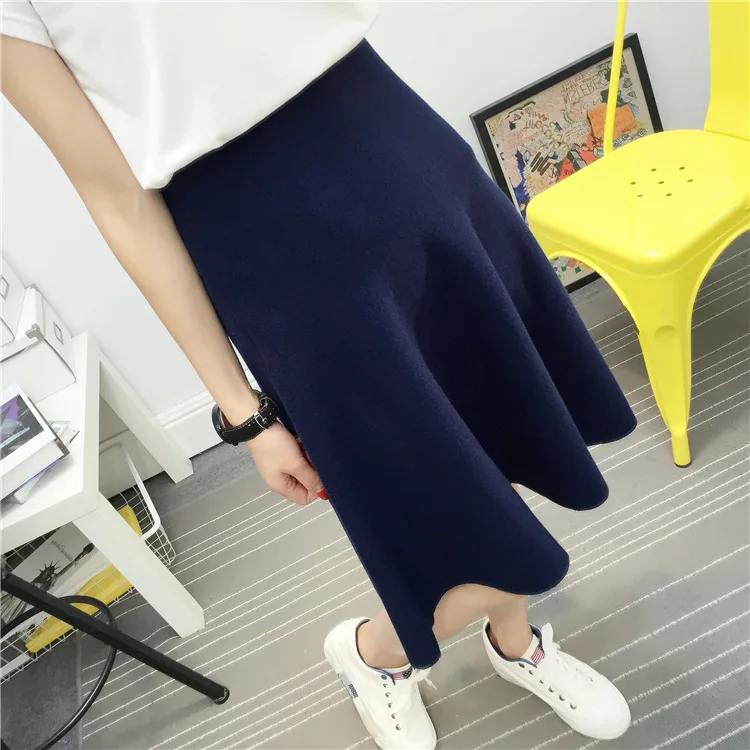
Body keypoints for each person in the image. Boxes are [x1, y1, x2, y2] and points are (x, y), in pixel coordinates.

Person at [2, 3, 637, 748]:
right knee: (426, 482)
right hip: (271, 247)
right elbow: (117, 199)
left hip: (395, 143)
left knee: (499, 434)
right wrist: (243, 412)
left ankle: (512, 641)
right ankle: (375, 654)